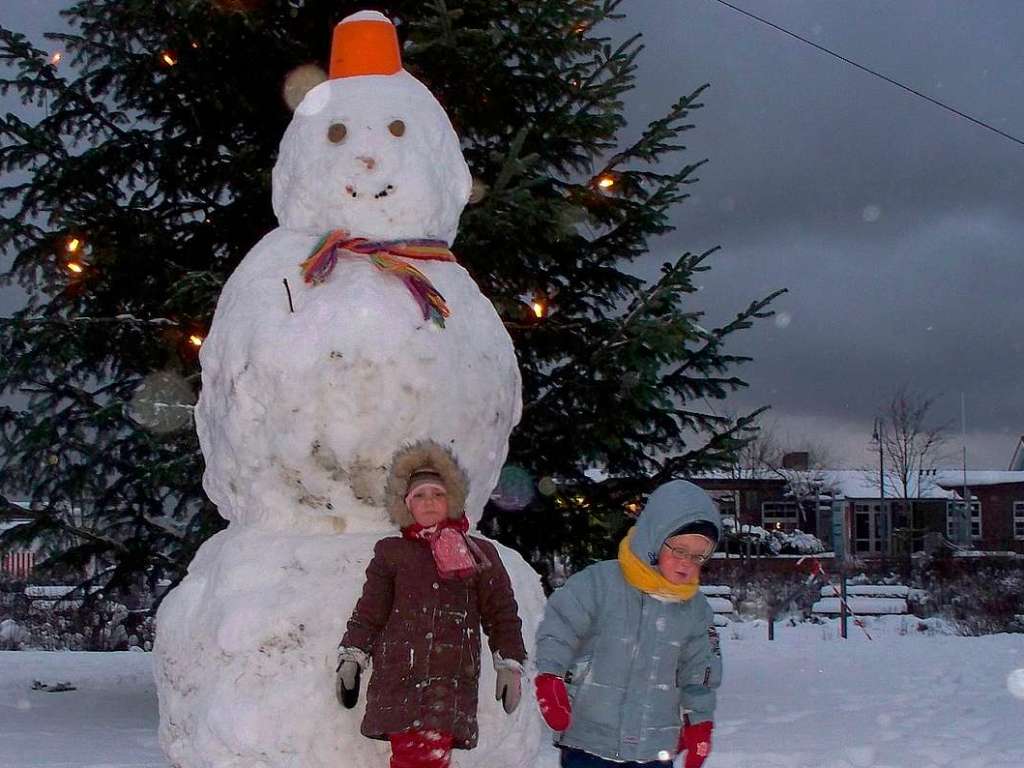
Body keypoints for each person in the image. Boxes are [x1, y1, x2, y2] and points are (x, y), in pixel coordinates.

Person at [336, 440, 527, 768]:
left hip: (448, 682)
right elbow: (370, 610)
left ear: (451, 499)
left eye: (438, 494)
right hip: (399, 677)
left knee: (426, 760)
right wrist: (352, 657)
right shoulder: (391, 553)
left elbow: (501, 612)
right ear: (406, 504)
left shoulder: (479, 553)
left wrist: (508, 662)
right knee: (413, 759)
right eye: (420, 496)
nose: (429, 503)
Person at [533, 480, 723, 768]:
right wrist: (550, 676)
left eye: (699, 556)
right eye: (680, 550)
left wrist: (700, 723)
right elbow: (559, 629)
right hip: (588, 740)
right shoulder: (600, 583)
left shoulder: (696, 610)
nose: (687, 563)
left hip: (655, 748)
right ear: (654, 539)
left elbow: (700, 673)